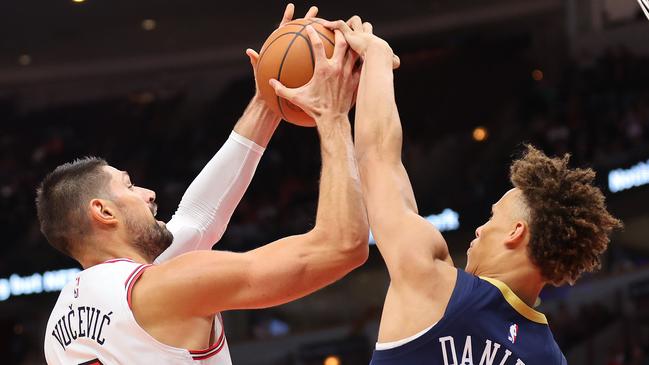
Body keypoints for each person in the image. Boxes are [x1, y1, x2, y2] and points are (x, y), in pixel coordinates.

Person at [39, 5, 369, 364]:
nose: (149, 195)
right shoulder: (170, 287)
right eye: (129, 186)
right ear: (103, 211)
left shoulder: (58, 327)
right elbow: (342, 246)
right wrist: (333, 116)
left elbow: (198, 217)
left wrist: (269, 98)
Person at [327, 17, 622, 365]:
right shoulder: (550, 359)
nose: (480, 229)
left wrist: (376, 57)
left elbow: (378, 158)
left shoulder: (432, 281)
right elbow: (390, 176)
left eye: (493, 216)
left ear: (516, 231)